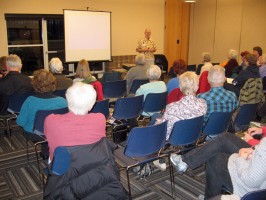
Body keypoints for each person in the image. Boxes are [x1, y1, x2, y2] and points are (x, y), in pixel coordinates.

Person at [170, 132, 266, 199]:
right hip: (256, 163)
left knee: (215, 158)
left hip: (251, 188)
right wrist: (254, 150)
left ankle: (210, 198)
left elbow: (251, 180)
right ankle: (185, 162)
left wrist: (241, 158)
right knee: (225, 138)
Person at [44, 82, 106, 161]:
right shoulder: (100, 118)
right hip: (92, 162)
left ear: (68, 100)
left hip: (63, 168)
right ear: (91, 105)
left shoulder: (51, 120)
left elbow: (48, 138)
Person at [155, 71, 207, 140]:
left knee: (156, 118)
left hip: (174, 141)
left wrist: (158, 123)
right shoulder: (203, 104)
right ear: (197, 87)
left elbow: (166, 132)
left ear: (180, 87)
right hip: (194, 137)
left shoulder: (171, 107)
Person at [16, 69, 67, 135]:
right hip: (57, 132)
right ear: (53, 83)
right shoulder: (62, 101)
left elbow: (20, 122)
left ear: (34, 84)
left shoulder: (30, 100)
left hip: (35, 134)